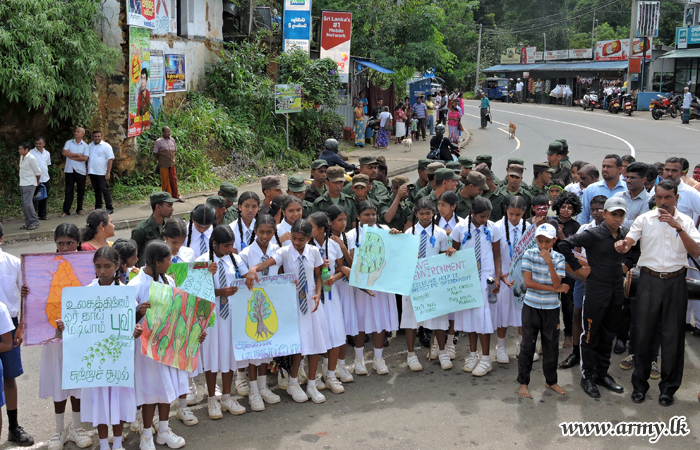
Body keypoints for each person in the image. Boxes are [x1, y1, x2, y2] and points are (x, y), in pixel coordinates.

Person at [614, 180, 700, 406]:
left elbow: (696, 251)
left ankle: (668, 389)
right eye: (660, 197)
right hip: (649, 281)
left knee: (672, 336)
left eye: (668, 197)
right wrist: (624, 245)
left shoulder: (686, 222)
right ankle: (640, 386)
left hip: (676, 282)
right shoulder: (645, 219)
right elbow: (630, 239)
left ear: (676, 198)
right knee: (643, 334)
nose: (663, 202)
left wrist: (678, 227)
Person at [245, 219, 333, 404]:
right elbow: (267, 264)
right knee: (297, 345)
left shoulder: (314, 252)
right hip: (293, 301)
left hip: (311, 300)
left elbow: (317, 276)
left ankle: (311, 384)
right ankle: (293, 383)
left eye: (301, 239)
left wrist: (318, 294)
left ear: (309, 238)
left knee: (315, 344)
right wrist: (253, 269)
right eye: (294, 238)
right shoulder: (284, 251)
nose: (297, 242)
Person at [559, 197, 638, 399]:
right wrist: (578, 269)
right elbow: (564, 245)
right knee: (591, 335)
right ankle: (587, 376)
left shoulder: (625, 235)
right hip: (595, 291)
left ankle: (602, 374)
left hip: (616, 292)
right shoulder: (593, 234)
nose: (617, 219)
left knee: (608, 335)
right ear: (605, 214)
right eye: (614, 214)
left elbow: (635, 250)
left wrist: (626, 266)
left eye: (621, 215)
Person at [129, 241, 193, 449]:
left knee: (166, 388)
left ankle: (164, 430)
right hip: (146, 350)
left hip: (167, 346)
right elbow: (124, 319)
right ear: (156, 262)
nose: (171, 262)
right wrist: (138, 311)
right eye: (168, 260)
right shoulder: (136, 285)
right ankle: (146, 434)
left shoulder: (169, 281)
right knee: (150, 391)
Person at [80, 247, 139, 450]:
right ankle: (104, 444)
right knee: (101, 401)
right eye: (98, 266)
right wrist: (66, 326)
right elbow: (79, 325)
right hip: (97, 358)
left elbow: (129, 323)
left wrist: (134, 331)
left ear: (117, 266)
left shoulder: (125, 293)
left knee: (118, 399)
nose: (102, 271)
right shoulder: (87, 292)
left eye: (107, 266)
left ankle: (118, 442)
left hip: (119, 357)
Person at [195, 225, 250, 418]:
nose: (230, 249)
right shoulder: (202, 261)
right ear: (214, 244)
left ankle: (226, 397)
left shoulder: (234, 259)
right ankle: (212, 398)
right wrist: (219, 292)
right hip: (211, 316)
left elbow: (246, 277)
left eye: (232, 245)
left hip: (231, 317)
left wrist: (251, 276)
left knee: (229, 355)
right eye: (226, 246)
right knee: (211, 356)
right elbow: (195, 292)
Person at [400, 198, 455, 372]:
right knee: (411, 318)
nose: (425, 217)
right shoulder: (409, 233)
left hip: (433, 281)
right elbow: (402, 258)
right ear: (416, 214)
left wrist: (449, 252)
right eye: (422, 213)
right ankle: (411, 355)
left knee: (438, 317)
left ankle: (442, 351)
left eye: (428, 213)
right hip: (413, 281)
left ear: (434, 214)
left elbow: (441, 256)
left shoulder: (440, 233)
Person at [237, 215, 285, 410]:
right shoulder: (246, 254)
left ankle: (264, 387)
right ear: (255, 231)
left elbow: (281, 273)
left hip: (271, 305)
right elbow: (242, 279)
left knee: (267, 348)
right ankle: (254, 391)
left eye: (269, 232)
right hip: (253, 305)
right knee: (253, 349)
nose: (265, 236)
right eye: (261, 232)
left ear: (274, 232)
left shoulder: (278, 251)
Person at [346, 202, 399, 376]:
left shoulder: (385, 229)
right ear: (358, 217)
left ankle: (378, 358)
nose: (370, 218)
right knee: (360, 321)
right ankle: (359, 359)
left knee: (380, 321)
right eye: (366, 215)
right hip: (362, 286)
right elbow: (352, 258)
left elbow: (395, 250)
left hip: (382, 285)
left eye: (373, 214)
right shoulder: (351, 235)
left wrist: (395, 236)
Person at [517, 224, 569, 399]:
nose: (543, 245)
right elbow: (529, 283)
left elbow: (556, 281)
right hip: (531, 306)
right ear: (536, 240)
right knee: (527, 346)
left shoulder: (559, 258)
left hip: (551, 309)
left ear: (554, 241)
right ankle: (523, 383)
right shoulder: (529, 254)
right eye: (540, 241)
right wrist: (556, 290)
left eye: (547, 241)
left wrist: (549, 261)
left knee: (551, 346)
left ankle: (551, 380)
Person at [451, 197, 502, 376]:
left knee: (483, 319)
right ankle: (473, 355)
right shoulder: (460, 228)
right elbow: (454, 251)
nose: (485, 219)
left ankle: (486, 359)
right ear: (472, 214)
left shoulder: (493, 228)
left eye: (488, 216)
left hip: (485, 278)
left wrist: (497, 276)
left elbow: (497, 255)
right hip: (468, 278)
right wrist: (451, 252)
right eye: (482, 216)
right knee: (471, 318)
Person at [559, 195, 607, 370]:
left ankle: (595, 356)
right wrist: (578, 268)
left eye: (599, 209)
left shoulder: (614, 230)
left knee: (599, 318)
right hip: (583, 280)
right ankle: (575, 352)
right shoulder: (585, 228)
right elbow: (575, 250)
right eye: (593, 209)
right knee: (577, 314)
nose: (595, 213)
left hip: (603, 282)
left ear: (607, 210)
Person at [0, 223, 35, 446]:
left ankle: (13, 426)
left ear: (1, 238)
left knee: (9, 378)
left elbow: (26, 295)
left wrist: (21, 325)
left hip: (8, 327)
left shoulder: (12, 263)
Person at [308, 212, 349, 394]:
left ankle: (331, 374)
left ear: (322, 229)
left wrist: (334, 277)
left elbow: (341, 268)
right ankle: (314, 376)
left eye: (311, 227)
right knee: (317, 336)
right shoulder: (306, 247)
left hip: (331, 296)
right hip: (315, 297)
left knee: (335, 333)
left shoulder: (333, 245)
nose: (307, 230)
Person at [494, 196, 529, 364]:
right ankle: (500, 346)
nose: (514, 218)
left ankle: (523, 345)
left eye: (518, 214)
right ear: (506, 210)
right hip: (503, 276)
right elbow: (495, 255)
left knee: (523, 312)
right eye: (511, 214)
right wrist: (500, 275)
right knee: (503, 312)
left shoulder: (528, 228)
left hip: (522, 278)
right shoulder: (496, 228)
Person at [552, 191, 582, 350]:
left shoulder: (576, 226)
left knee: (567, 302)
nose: (565, 210)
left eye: (569, 208)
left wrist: (562, 235)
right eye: (563, 206)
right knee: (551, 302)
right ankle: (551, 334)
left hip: (568, 268)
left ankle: (569, 334)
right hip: (551, 267)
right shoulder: (551, 222)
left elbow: (574, 250)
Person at [131, 191, 177, 266]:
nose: (172, 209)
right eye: (169, 206)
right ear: (158, 207)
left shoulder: (169, 225)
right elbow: (132, 254)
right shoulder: (141, 229)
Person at [578, 155, 626, 225]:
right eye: (603, 166)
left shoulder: (627, 189)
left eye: (609, 167)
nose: (605, 169)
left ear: (620, 169)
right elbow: (583, 216)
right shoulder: (591, 189)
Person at [312, 167, 356, 232]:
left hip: (346, 238)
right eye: (335, 183)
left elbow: (353, 225)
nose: (338, 186)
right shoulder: (319, 203)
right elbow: (315, 226)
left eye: (341, 182)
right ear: (327, 182)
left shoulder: (349, 201)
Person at [0, 274, 16, 442]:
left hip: (8, 323)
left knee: (10, 379)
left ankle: (14, 426)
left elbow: (7, 344)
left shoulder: (1, 309)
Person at [61, 127, 90, 217]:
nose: (76, 133)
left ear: (82, 134)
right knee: (69, 190)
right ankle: (66, 210)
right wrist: (77, 155)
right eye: (75, 131)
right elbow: (65, 153)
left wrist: (71, 156)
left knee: (81, 190)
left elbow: (85, 158)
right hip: (69, 170)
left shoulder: (85, 146)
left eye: (78, 132)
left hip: (80, 171)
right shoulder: (69, 142)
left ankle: (79, 209)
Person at [614, 162, 651, 229]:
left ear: (643, 180)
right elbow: (609, 219)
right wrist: (632, 221)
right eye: (627, 177)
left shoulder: (649, 201)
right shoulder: (618, 196)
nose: (628, 180)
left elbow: (641, 225)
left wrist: (618, 220)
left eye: (632, 178)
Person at [153, 127, 184, 202]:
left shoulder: (172, 140)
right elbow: (155, 153)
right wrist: (161, 160)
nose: (169, 133)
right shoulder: (158, 142)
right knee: (165, 181)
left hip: (172, 164)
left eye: (169, 132)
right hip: (163, 165)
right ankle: (168, 197)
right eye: (167, 132)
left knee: (174, 180)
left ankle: (176, 195)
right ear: (163, 132)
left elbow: (174, 151)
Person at [87, 130, 115, 214]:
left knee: (105, 190)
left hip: (102, 173)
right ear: (92, 137)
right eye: (95, 136)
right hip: (92, 172)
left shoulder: (106, 146)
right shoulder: (89, 146)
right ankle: (98, 207)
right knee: (96, 190)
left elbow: (110, 159)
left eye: (98, 136)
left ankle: (109, 207)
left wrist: (108, 172)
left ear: (101, 136)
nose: (97, 138)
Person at [18, 142, 41, 231]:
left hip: (30, 183)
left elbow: (38, 171)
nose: (19, 151)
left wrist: (37, 181)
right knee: (25, 204)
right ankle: (28, 223)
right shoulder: (22, 157)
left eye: (21, 149)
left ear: (26, 150)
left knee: (28, 203)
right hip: (23, 182)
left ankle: (34, 221)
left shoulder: (31, 158)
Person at [229, 192, 261, 256]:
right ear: (240, 207)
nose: (250, 210)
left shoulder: (261, 227)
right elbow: (233, 254)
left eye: (254, 206)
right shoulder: (231, 228)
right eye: (246, 206)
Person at [30, 137, 51, 221]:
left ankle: (42, 214)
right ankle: (33, 216)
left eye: (40, 144)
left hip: (45, 178)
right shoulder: (31, 152)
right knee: (34, 198)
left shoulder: (47, 153)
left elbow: (47, 164)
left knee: (44, 197)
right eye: (36, 144)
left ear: (44, 144)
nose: (38, 145)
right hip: (34, 179)